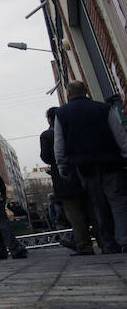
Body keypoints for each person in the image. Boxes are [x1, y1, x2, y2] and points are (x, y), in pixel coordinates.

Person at [54, 81, 127, 254]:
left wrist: (62, 166)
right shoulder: (103, 109)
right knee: (117, 201)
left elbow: (59, 144)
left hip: (84, 165)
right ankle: (124, 239)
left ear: (68, 94)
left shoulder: (62, 114)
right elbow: (119, 134)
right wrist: (125, 155)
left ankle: (108, 243)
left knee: (98, 204)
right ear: (86, 92)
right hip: (110, 161)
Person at [41, 106, 98, 255]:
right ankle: (105, 241)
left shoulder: (47, 135)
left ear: (50, 119)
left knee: (74, 212)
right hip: (84, 172)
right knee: (93, 209)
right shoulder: (74, 129)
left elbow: (46, 156)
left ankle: (83, 245)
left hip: (64, 177)